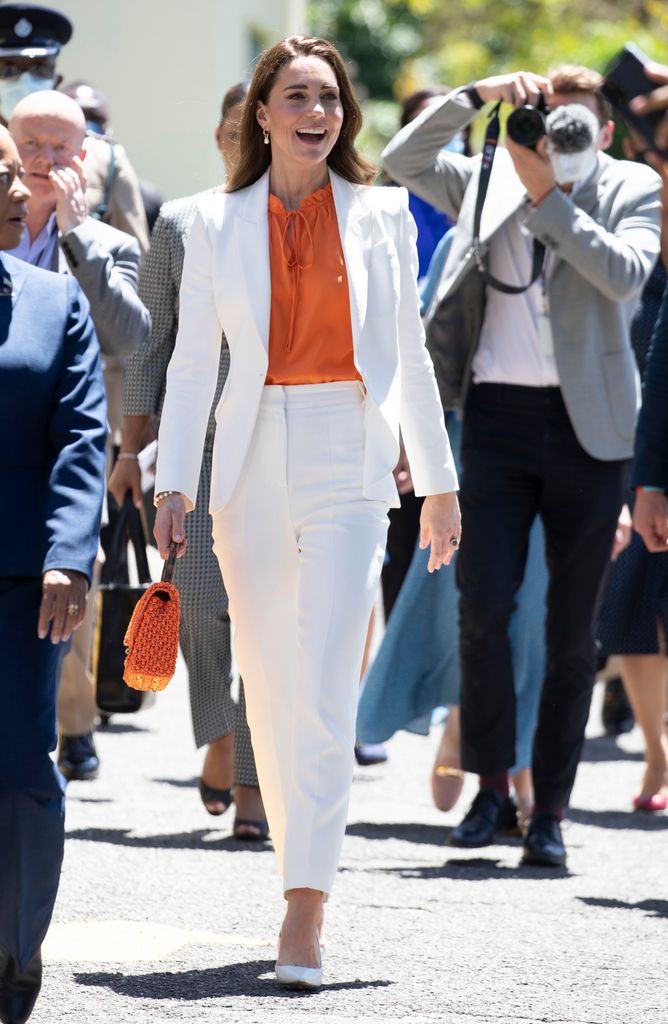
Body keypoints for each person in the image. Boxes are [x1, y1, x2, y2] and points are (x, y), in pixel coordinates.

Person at [152, 35, 459, 987]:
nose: (316, 113)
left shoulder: (381, 214)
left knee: (326, 678)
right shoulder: (207, 220)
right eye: (297, 97)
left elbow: (408, 352)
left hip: (347, 449)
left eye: (329, 97)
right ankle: (295, 868)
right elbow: (195, 359)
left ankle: (305, 909)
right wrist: (175, 484)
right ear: (262, 113)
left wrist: (441, 484)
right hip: (246, 462)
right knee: (273, 690)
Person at [383, 64, 662, 867]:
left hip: (590, 431)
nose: (557, 138)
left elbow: (624, 274)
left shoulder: (629, 185)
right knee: (482, 609)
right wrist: (479, 98)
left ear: (605, 134)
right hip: (496, 420)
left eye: (576, 127)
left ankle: (553, 810)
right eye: (547, 122)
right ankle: (493, 788)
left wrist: (549, 197)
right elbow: (404, 158)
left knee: (572, 632)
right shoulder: (487, 176)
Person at [108, 82, 267, 838]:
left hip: (285, 443)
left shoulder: (317, 218)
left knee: (270, 617)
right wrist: (132, 448)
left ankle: (253, 778)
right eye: (243, 129)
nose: (255, 142)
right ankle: (222, 732)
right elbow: (150, 344)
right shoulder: (180, 221)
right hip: (197, 448)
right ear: (220, 136)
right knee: (201, 604)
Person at [8, 89, 150, 783]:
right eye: (29, 145)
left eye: (58, 147)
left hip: (75, 431)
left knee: (72, 568)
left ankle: (73, 722)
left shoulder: (108, 243)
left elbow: (135, 336)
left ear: (83, 155)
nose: (42, 161)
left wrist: (76, 234)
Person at [0, 125, 106, 1024]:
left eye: (13, 175)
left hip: (19, 579)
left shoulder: (52, 301)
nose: (14, 191)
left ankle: (16, 944)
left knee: (19, 769)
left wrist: (70, 554)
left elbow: (81, 434)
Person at [0, 3, 149, 253]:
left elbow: (135, 269)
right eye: (10, 69)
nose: (25, 80)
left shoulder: (105, 160)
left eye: (38, 68)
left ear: (56, 79)